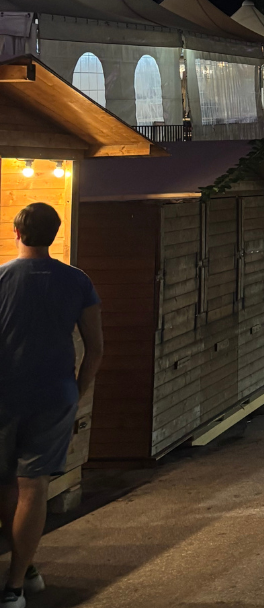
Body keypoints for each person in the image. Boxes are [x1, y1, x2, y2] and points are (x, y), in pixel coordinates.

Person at [0, 203, 104, 608]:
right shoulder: (77, 281)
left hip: (5, 395)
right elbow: (95, 349)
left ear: (16, 233)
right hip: (55, 394)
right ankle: (16, 583)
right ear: (55, 233)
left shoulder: (1, 278)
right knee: (34, 486)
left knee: (6, 484)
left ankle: (23, 572)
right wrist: (76, 391)